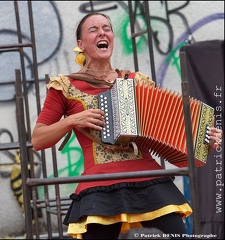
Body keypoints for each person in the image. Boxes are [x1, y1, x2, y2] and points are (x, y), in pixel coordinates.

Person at [31, 12, 223, 240]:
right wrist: (72, 120)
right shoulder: (65, 86)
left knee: (177, 235)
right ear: (80, 45)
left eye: (107, 28)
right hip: (100, 183)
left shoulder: (136, 81)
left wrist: (205, 142)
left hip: (148, 178)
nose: (102, 32)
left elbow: (173, 145)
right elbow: (38, 140)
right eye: (94, 29)